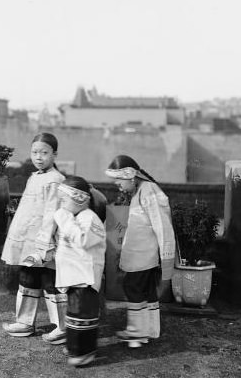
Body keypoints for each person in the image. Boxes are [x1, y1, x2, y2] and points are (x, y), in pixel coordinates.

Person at [1, 132, 67, 344]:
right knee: (27, 279)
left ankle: (61, 326)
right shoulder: (34, 177)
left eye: (45, 153)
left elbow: (51, 214)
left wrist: (46, 243)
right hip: (28, 240)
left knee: (50, 282)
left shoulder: (56, 180)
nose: (39, 157)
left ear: (54, 155)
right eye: (35, 152)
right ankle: (25, 322)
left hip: (46, 242)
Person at [105, 155, 175, 347]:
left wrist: (166, 256)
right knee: (147, 291)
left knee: (133, 288)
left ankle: (136, 333)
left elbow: (162, 226)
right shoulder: (141, 191)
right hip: (143, 254)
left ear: (131, 176)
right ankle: (150, 330)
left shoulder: (148, 191)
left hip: (144, 256)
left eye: (119, 179)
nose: (117, 184)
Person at [53, 176, 106, 367]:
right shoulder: (76, 217)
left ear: (79, 199)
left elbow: (83, 241)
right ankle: (75, 345)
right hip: (74, 278)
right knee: (74, 313)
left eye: (64, 200)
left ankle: (83, 351)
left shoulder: (90, 218)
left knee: (83, 314)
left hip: (85, 278)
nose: (61, 205)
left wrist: (64, 219)